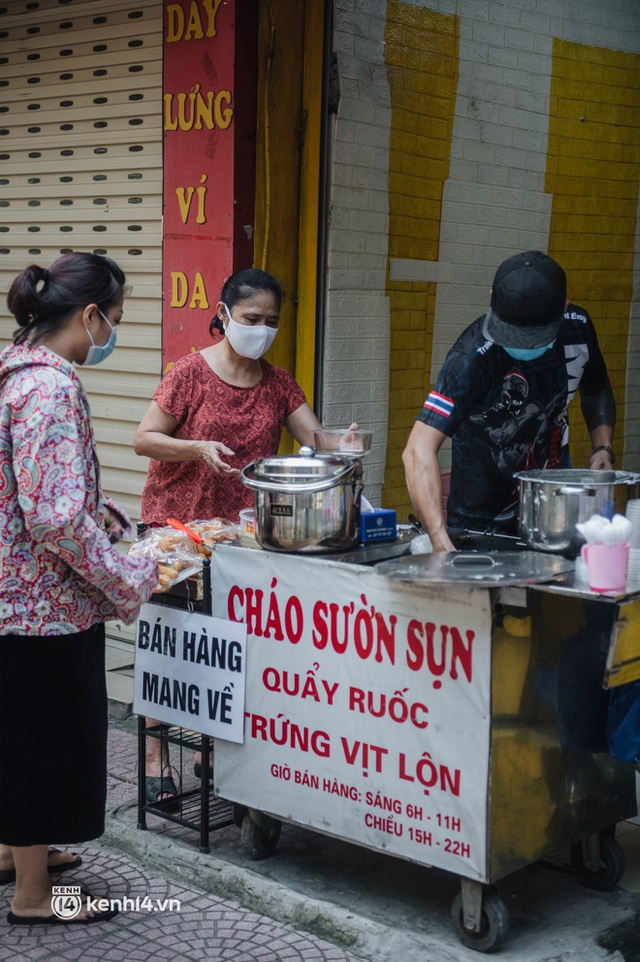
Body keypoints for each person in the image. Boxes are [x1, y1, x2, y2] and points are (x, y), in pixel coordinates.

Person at [0, 252, 158, 924]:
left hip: (11, 595)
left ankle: (15, 854)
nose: (112, 337)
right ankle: (35, 896)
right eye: (114, 322)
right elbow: (56, 515)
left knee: (15, 734)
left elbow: (34, 489)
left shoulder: (12, 372)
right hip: (41, 607)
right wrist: (128, 574)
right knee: (41, 741)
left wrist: (106, 513)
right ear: (90, 315)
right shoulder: (53, 389)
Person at [134, 268, 326, 801]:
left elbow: (317, 438)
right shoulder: (188, 373)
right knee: (168, 650)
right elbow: (144, 439)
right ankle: (154, 761)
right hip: (176, 535)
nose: (261, 330)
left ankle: (211, 754)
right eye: (250, 319)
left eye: (271, 321)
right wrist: (195, 447)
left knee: (226, 649)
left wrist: (342, 442)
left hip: (238, 540)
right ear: (223, 315)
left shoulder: (278, 382)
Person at [403, 250, 616, 552]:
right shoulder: (470, 358)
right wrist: (440, 542)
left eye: (534, 337)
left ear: (564, 308)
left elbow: (596, 388)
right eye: (513, 335)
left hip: (552, 512)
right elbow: (417, 450)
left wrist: (603, 448)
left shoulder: (577, 327)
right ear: (491, 298)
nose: (522, 344)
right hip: (480, 523)